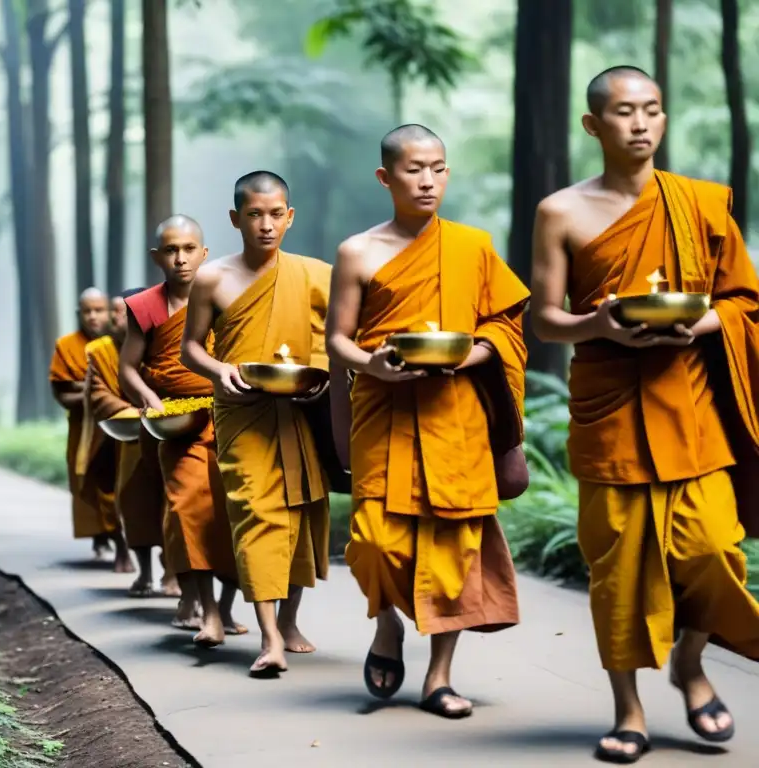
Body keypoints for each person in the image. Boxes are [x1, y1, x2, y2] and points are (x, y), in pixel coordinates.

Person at [529, 65, 759, 764]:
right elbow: (545, 319)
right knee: (618, 570)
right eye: (624, 112)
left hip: (689, 401)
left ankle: (690, 663)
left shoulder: (700, 204)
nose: (640, 123)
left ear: (663, 119)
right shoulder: (560, 212)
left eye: (652, 110)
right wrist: (598, 324)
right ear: (594, 126)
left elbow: (744, 301)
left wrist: (703, 327)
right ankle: (628, 709)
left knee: (714, 551)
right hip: (611, 409)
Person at [325, 124, 527, 718]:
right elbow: (337, 339)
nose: (428, 180)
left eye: (438, 167)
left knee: (452, 548)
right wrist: (374, 367)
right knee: (374, 544)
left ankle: (439, 676)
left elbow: (505, 327)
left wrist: (472, 353)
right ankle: (386, 623)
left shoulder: (472, 246)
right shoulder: (357, 251)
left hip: (455, 412)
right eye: (414, 169)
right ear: (387, 177)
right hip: (385, 413)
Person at [182, 171, 333, 676]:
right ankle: (269, 638)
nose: (265, 225)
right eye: (254, 215)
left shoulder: (315, 275)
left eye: (275, 214)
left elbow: (338, 338)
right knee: (256, 512)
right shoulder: (213, 278)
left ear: (290, 216)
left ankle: (288, 621)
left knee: (300, 509)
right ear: (235, 219)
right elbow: (191, 349)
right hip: (242, 411)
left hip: (299, 410)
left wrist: (323, 377)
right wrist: (219, 369)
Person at [120, 215, 246, 645]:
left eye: (189, 249)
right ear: (157, 257)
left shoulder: (222, 295)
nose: (180, 259)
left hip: (227, 414)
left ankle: (226, 608)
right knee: (186, 506)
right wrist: (151, 401)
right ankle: (202, 607)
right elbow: (127, 370)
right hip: (175, 422)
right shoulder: (145, 307)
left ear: (204, 253)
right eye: (171, 250)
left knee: (231, 511)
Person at [50, 288, 122, 561]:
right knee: (85, 481)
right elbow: (61, 392)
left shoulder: (122, 342)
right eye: (87, 311)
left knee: (119, 482)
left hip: (117, 425)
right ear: (79, 314)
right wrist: (94, 393)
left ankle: (122, 540)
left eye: (99, 310)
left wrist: (92, 389)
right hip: (83, 429)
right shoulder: (66, 346)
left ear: (109, 312)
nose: (93, 316)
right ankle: (100, 538)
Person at [77, 293, 138, 575]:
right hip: (112, 434)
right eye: (112, 313)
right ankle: (120, 546)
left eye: (121, 312)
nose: (114, 319)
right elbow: (97, 394)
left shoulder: (154, 345)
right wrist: (130, 411)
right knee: (108, 492)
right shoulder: (99, 351)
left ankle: (168, 567)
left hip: (152, 432)